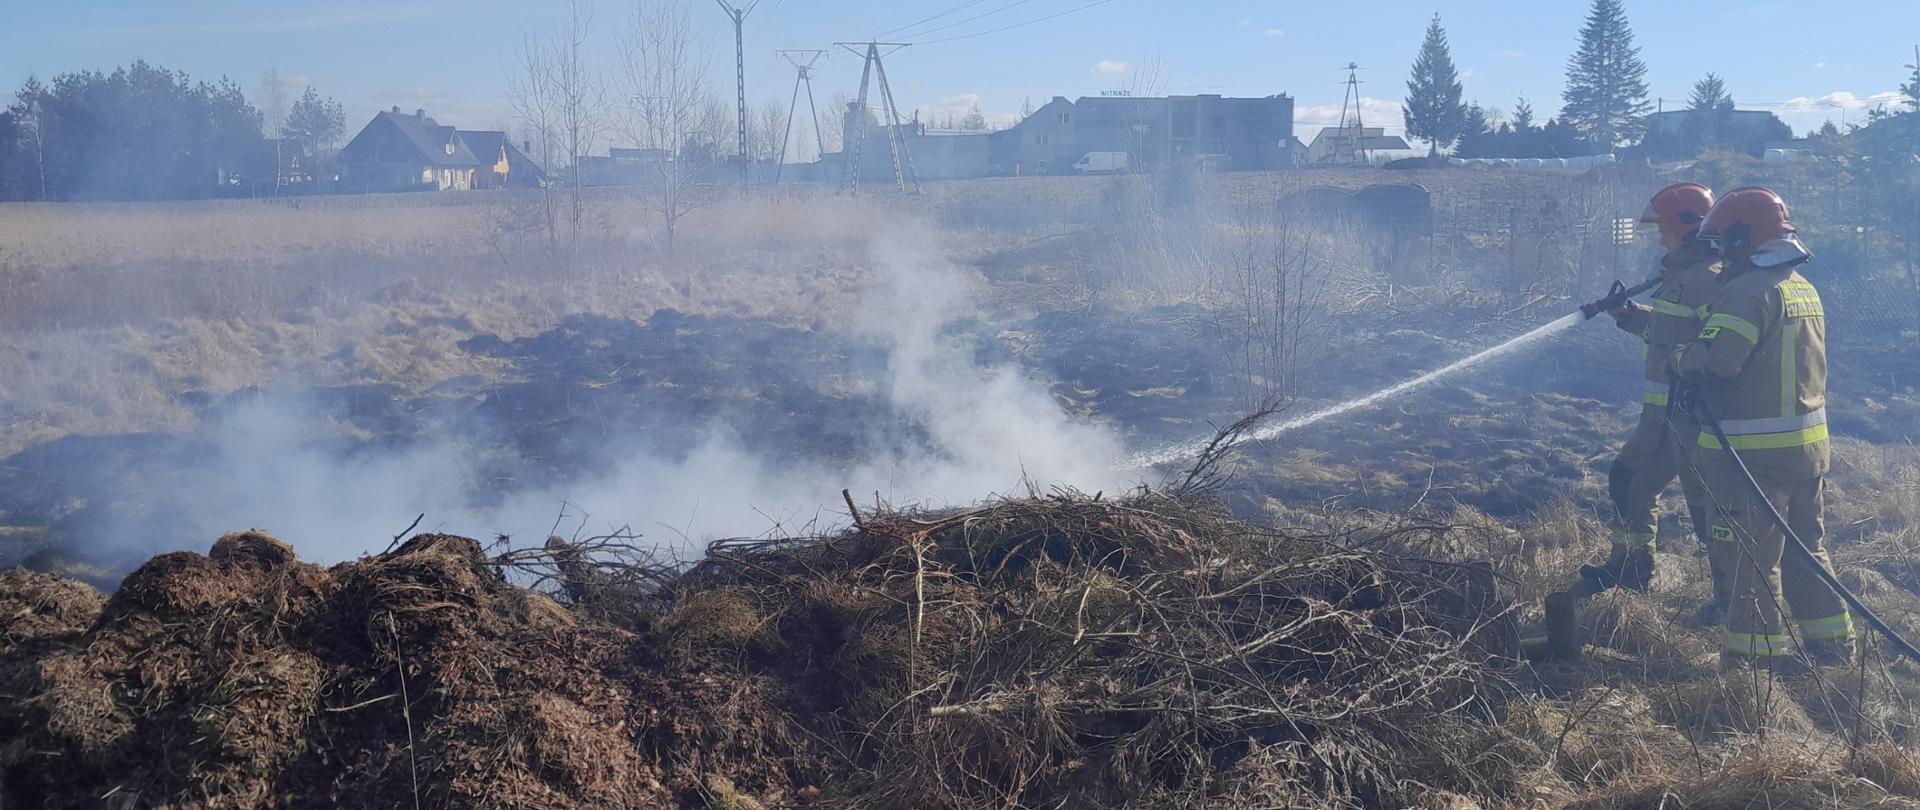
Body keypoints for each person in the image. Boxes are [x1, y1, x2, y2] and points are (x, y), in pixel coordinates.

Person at [1672, 186, 1854, 668]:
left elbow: (1720, 360)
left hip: (1753, 457)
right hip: (1807, 452)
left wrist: (1681, 358)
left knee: (1748, 559)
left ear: (1741, 238)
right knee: (1806, 551)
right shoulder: (1800, 286)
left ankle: (1752, 668)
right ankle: (1833, 650)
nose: (1718, 255)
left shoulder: (1748, 291)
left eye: (1721, 243)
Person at [1582, 183, 1721, 611]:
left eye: (1664, 230)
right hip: (1660, 420)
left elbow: (1719, 349)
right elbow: (1669, 334)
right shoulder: (1681, 277)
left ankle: (1730, 602)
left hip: (1698, 422)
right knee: (1629, 481)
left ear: (1690, 227)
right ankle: (1631, 570)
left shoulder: (1712, 280)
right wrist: (1630, 316)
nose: (1660, 240)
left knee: (1711, 514)